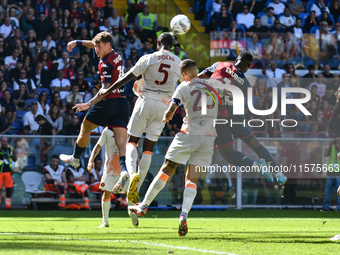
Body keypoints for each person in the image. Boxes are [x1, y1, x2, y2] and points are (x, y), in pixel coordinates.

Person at [129, 59, 223, 236]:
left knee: (166, 169)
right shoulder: (213, 85)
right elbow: (219, 67)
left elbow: (172, 108)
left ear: (183, 75)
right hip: (208, 138)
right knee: (192, 179)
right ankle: (184, 214)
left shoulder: (183, 87)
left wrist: (166, 115)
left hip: (188, 134)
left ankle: (144, 206)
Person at [98, 32, 183, 204]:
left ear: (158, 42)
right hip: (164, 106)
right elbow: (185, 85)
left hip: (146, 100)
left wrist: (108, 90)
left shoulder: (149, 58)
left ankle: (131, 173)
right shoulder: (178, 63)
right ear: (172, 46)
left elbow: (128, 77)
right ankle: (135, 189)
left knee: (131, 141)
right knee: (149, 147)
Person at [199, 52, 287, 185]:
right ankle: (278, 173)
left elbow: (199, 78)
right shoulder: (246, 85)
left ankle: (255, 165)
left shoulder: (220, 65)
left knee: (228, 155)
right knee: (257, 146)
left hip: (219, 118)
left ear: (236, 60)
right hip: (236, 117)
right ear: (248, 67)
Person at [60, 31, 129, 193]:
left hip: (108, 102)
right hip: (122, 103)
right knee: (120, 142)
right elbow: (96, 43)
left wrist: (88, 104)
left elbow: (105, 89)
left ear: (107, 46)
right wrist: (77, 41)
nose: (96, 50)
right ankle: (124, 169)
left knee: (85, 127)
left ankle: (76, 158)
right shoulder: (116, 55)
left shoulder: (105, 64)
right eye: (95, 47)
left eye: (99, 47)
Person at [88, 127, 133, 227]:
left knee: (130, 192)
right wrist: (91, 160)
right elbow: (98, 145)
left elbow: (133, 147)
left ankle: (133, 213)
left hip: (125, 168)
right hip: (110, 169)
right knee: (106, 193)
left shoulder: (128, 129)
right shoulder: (107, 131)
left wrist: (136, 162)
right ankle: (105, 221)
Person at [321, 135, 340, 211]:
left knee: (338, 193)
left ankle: (339, 207)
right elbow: (325, 155)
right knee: (327, 192)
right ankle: (325, 207)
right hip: (330, 173)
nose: (337, 142)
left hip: (338, 173)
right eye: (336, 141)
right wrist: (330, 145)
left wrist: (338, 146)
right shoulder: (332, 148)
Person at [0, 136, 17, 209]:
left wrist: (13, 154)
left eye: (6, 141)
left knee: (8, 189)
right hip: (0, 171)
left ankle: (8, 206)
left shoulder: (9, 149)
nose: (5, 143)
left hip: (8, 172)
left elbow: (14, 160)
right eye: (3, 141)